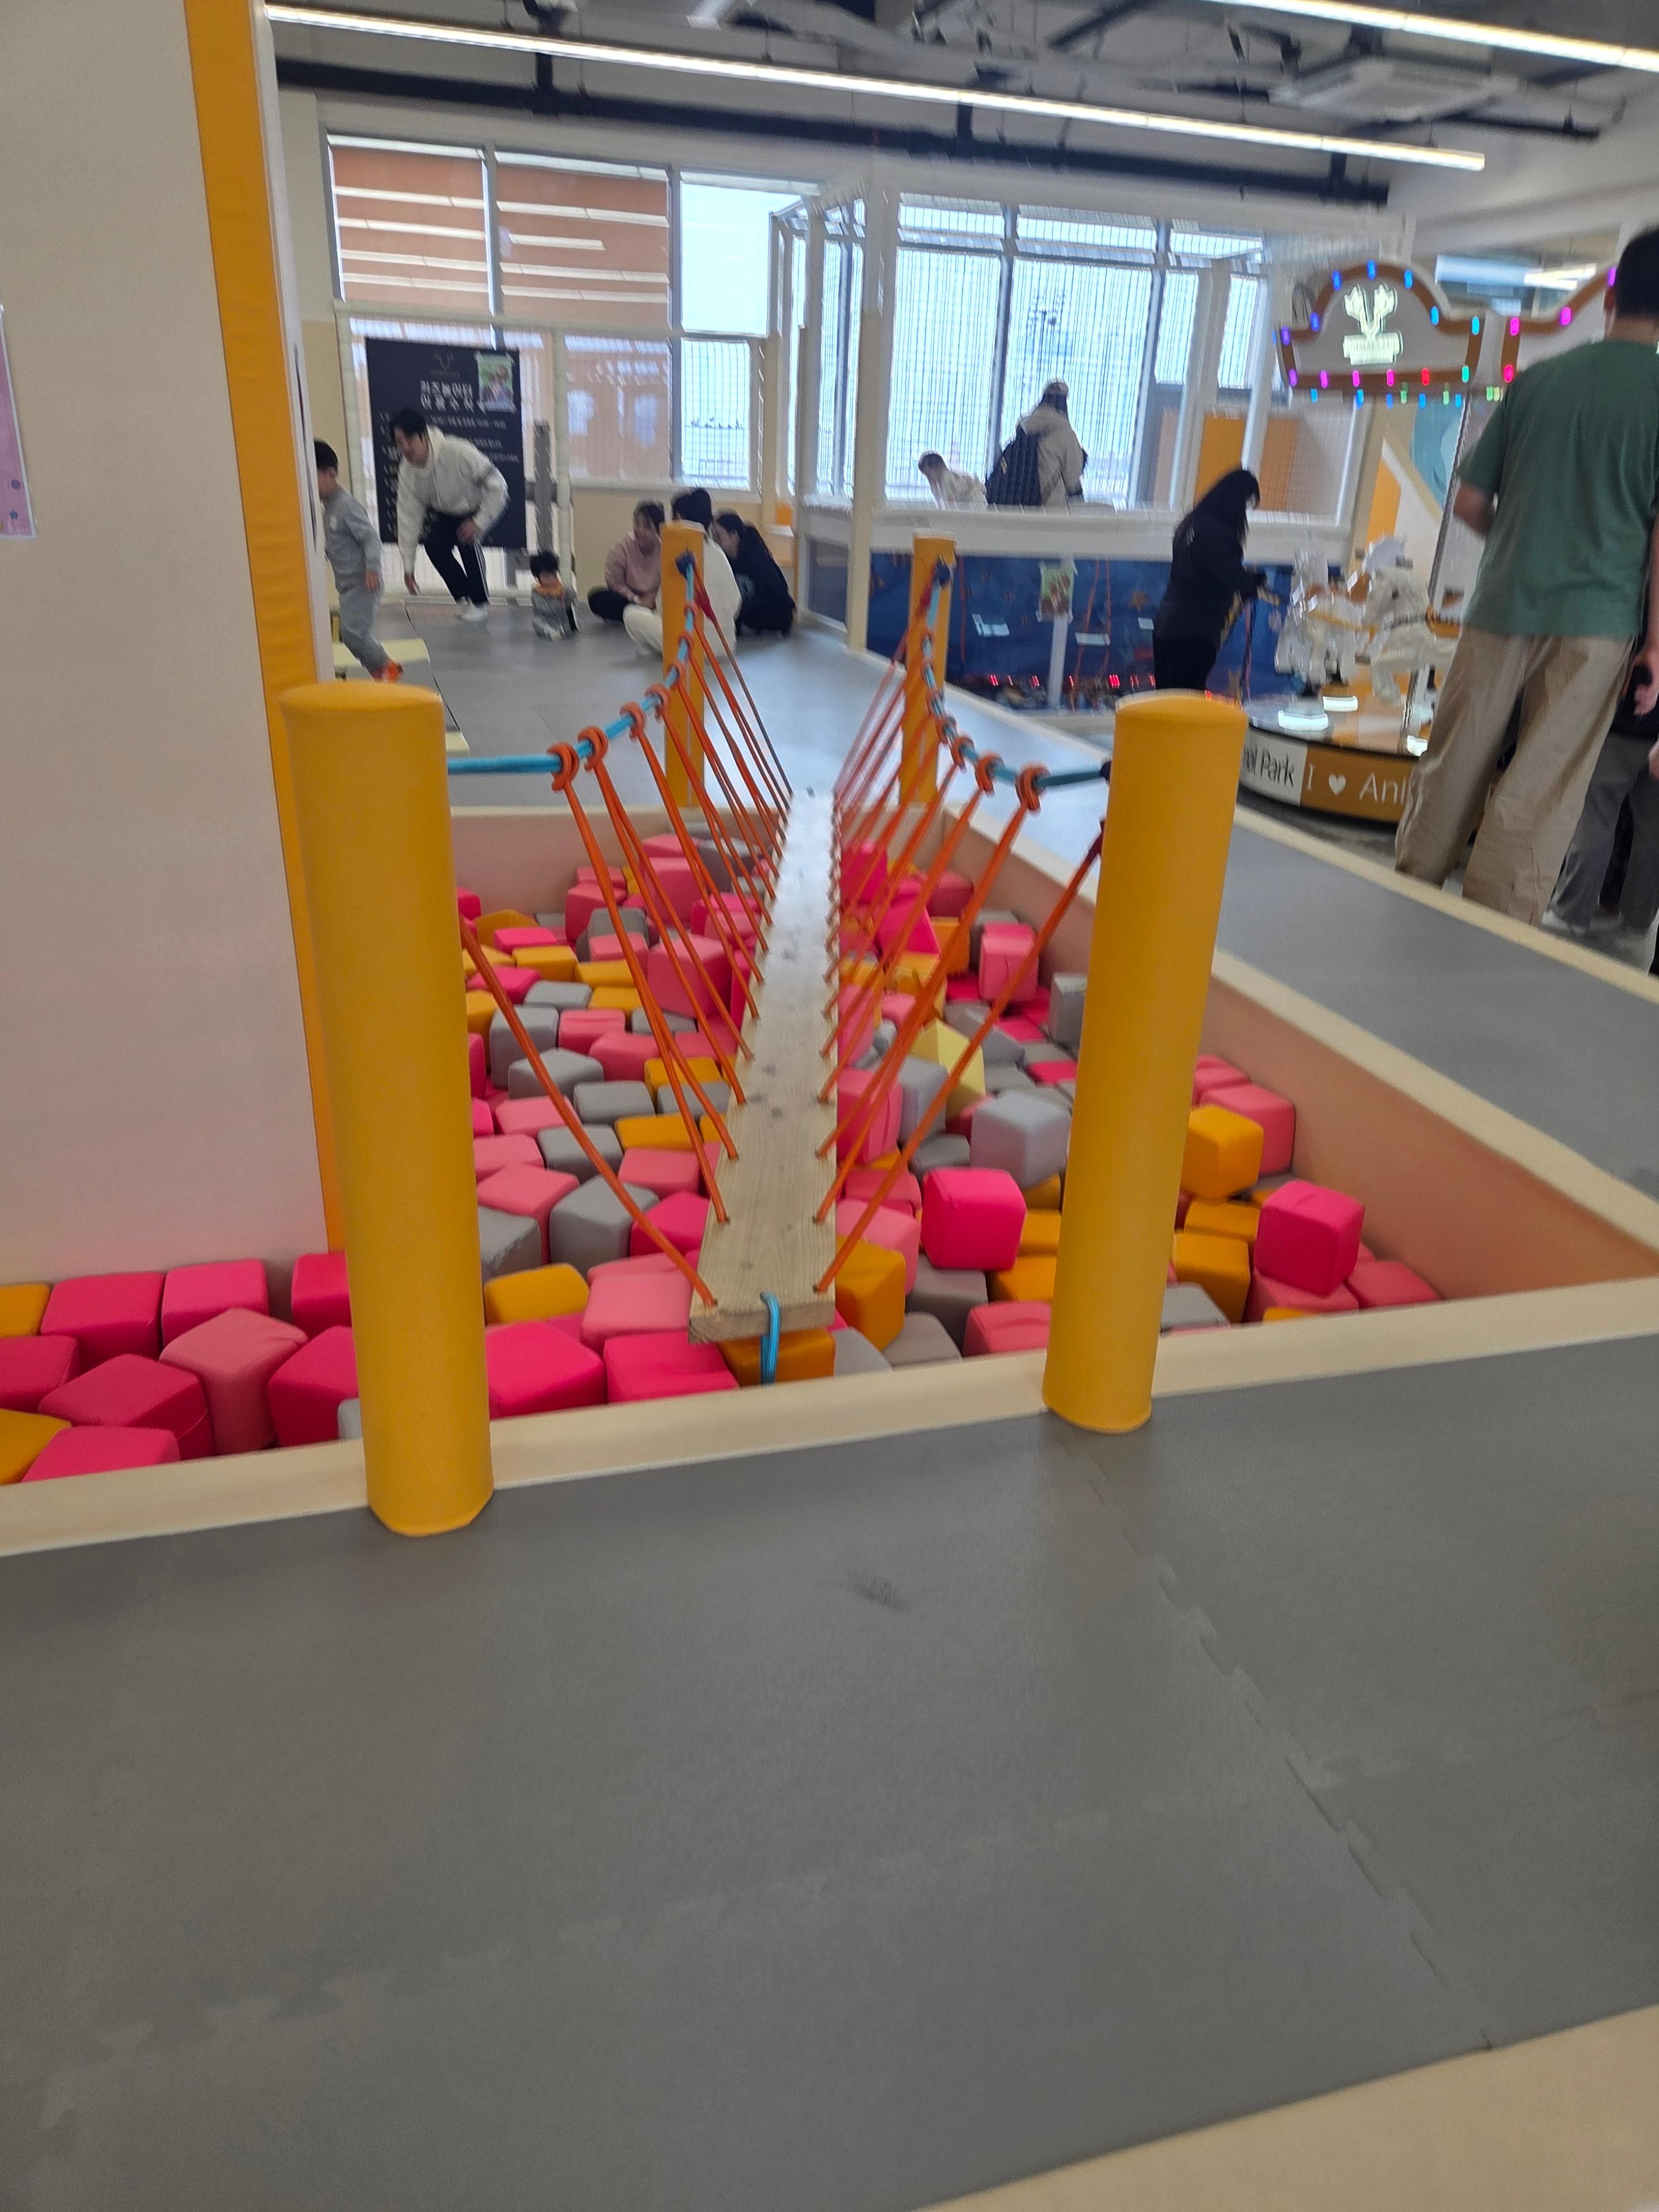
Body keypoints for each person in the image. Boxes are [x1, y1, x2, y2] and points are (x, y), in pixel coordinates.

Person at [1394, 224, 1659, 923]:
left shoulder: (1537, 381)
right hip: (1598, 624)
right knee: (1542, 782)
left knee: (1455, 758)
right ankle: (1492, 927)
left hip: (1501, 602)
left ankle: (1409, 890)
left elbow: (1470, 503)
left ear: (1611, 297)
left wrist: (1514, 537)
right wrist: (1657, 646)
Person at [1544, 666, 1659, 961]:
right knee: (1653, 834)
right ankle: (1637, 925)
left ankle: (1571, 914)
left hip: (1625, 720)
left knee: (1596, 816)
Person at [391, 406, 508, 624]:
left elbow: (498, 487)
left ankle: (480, 603)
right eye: (399, 442)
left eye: (410, 439)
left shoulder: (457, 451)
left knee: (468, 541)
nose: (405, 447)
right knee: (434, 546)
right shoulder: (407, 472)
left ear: (424, 436)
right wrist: (408, 565)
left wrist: (479, 521)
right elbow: (408, 517)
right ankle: (463, 596)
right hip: (448, 512)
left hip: (479, 506)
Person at [1151, 468, 1265, 691]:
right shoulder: (1218, 534)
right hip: (1195, 629)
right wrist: (1254, 581)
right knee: (1187, 701)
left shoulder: (1191, 524)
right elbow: (1228, 576)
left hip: (1167, 623)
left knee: (1167, 699)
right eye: (1245, 505)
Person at [314, 440, 400, 682]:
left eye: (313, 477)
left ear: (330, 474)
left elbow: (371, 538)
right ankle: (379, 672)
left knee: (353, 633)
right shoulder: (329, 509)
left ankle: (388, 668)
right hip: (348, 587)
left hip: (364, 583)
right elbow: (337, 545)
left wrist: (372, 567)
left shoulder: (346, 506)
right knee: (351, 635)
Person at [623, 489, 741, 656]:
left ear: (679, 518)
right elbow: (736, 603)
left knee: (631, 615)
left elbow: (665, 608)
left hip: (695, 646)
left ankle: (666, 647)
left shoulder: (679, 554)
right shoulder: (717, 552)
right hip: (726, 644)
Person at [712, 512, 795, 637]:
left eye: (719, 536)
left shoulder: (756, 558)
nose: (715, 541)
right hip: (748, 608)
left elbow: (770, 593)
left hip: (773, 608)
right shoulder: (726, 560)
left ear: (734, 536)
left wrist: (739, 611)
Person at [587, 500, 663, 625]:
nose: (640, 530)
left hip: (654, 601)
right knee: (596, 598)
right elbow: (615, 584)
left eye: (647, 527)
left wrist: (654, 599)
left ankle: (641, 615)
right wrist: (637, 600)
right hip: (629, 599)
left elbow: (667, 583)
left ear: (658, 531)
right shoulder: (622, 548)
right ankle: (640, 614)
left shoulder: (666, 550)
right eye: (637, 523)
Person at [1019, 380, 1086, 508]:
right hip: (1053, 508)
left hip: (1022, 506)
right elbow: (1073, 479)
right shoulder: (1066, 435)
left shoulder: (1024, 428)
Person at [526, 551, 578, 640]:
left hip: (563, 619)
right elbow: (543, 609)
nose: (551, 579)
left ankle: (569, 628)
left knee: (571, 614)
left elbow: (572, 599)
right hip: (547, 620)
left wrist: (567, 595)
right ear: (538, 577)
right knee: (536, 621)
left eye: (553, 574)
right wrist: (557, 602)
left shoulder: (562, 588)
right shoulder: (537, 592)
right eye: (546, 576)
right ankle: (550, 632)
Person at [919, 452, 986, 508]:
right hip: (964, 506)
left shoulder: (948, 479)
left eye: (929, 475)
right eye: (926, 476)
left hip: (974, 501)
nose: (929, 479)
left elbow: (951, 506)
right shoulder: (936, 486)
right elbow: (941, 507)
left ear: (938, 468)